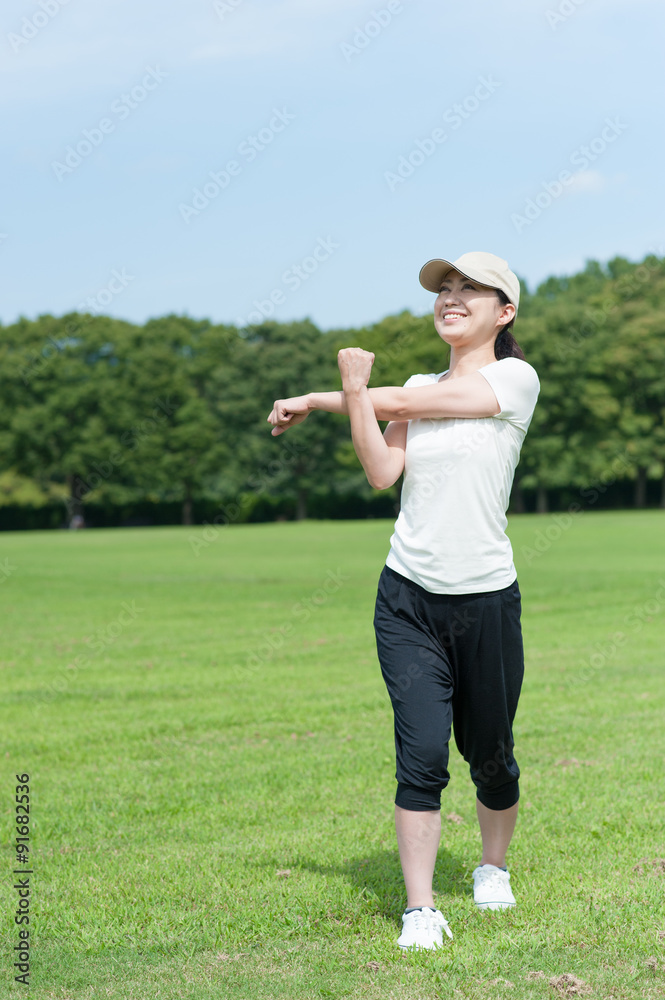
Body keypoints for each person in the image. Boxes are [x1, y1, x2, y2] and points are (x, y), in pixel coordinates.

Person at [267, 251, 540, 951]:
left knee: (491, 754)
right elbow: (382, 471)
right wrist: (354, 395)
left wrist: (330, 394)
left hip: (484, 599)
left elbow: (403, 402)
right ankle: (419, 909)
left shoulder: (514, 379)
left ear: (503, 312)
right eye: (443, 289)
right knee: (420, 752)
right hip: (407, 598)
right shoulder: (413, 384)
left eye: (469, 290)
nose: (451, 297)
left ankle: (490, 866)